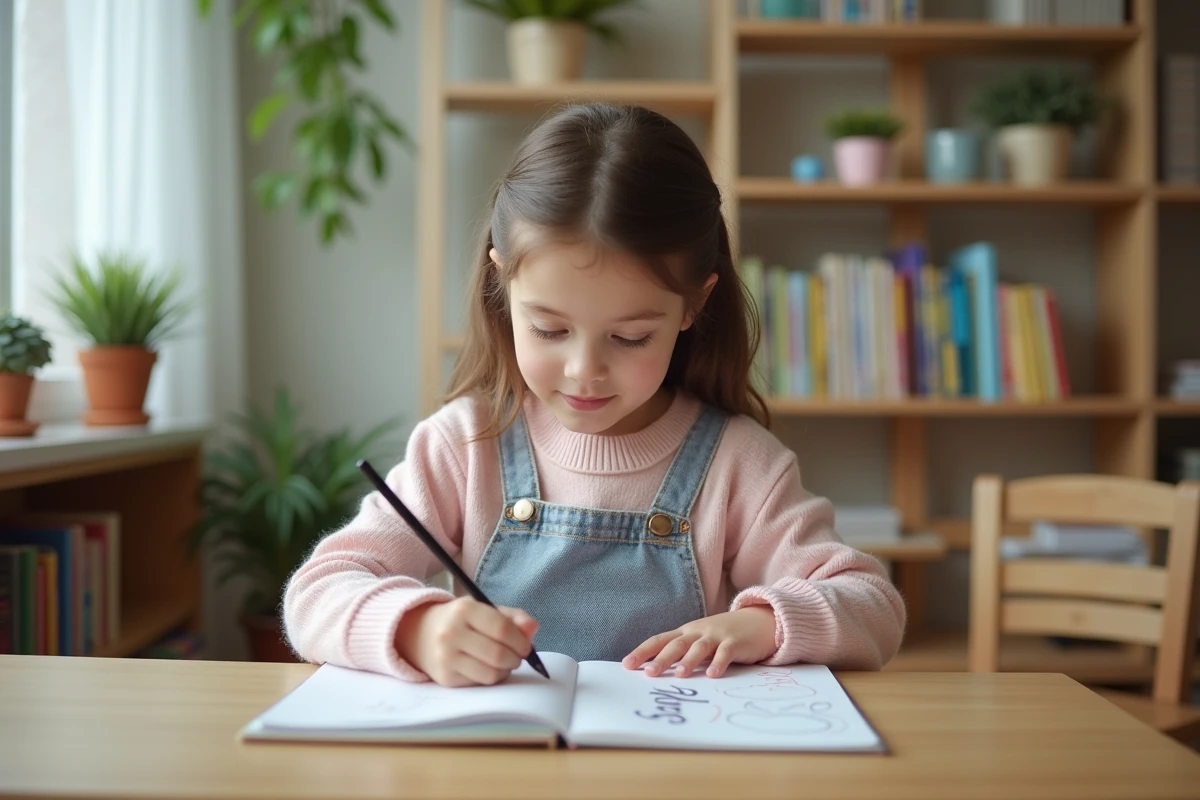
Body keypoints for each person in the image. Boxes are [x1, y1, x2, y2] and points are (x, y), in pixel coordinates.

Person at [284, 104, 906, 687]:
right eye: (549, 330)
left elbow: (872, 605)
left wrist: (763, 624)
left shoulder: (740, 464)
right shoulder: (463, 446)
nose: (585, 371)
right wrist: (415, 628)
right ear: (502, 283)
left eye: (631, 337)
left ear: (694, 304)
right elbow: (318, 591)